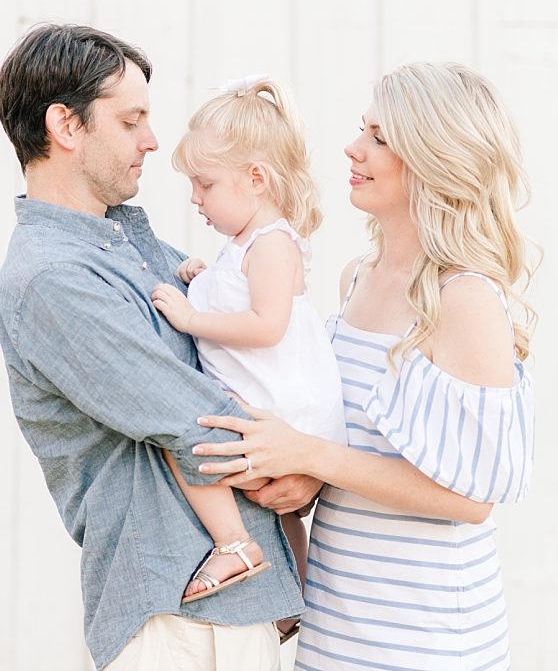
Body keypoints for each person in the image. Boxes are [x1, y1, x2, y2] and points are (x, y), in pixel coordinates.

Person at [189, 62, 537, 671]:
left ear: (436, 156)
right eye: (361, 129)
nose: (353, 148)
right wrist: (302, 478)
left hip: (426, 639)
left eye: (380, 137)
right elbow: (358, 447)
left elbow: (472, 498)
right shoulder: (356, 280)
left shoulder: (467, 298)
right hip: (336, 625)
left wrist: (308, 456)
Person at [0, 23, 307, 671]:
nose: (152, 139)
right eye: (131, 119)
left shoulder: (128, 242)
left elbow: (246, 349)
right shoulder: (53, 278)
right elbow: (190, 414)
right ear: (66, 125)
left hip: (236, 608)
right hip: (173, 618)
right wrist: (303, 465)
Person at [150, 76, 345, 618]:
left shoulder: (273, 243)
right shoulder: (242, 247)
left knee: (181, 438)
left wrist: (191, 316)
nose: (195, 198)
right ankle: (296, 601)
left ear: (255, 178)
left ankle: (233, 544)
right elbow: (239, 293)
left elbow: (266, 325)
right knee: (284, 513)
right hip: (270, 399)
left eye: (205, 184)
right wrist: (202, 277)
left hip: (283, 404)